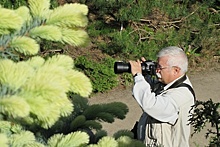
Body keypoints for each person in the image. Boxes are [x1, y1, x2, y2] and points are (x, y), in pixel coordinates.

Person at [129, 46, 195, 147]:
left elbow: (150, 104)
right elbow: (152, 92)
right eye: (156, 66)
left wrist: (138, 76)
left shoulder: (181, 96)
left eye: (160, 68)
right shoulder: (169, 84)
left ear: (176, 70)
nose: (157, 71)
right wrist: (145, 75)